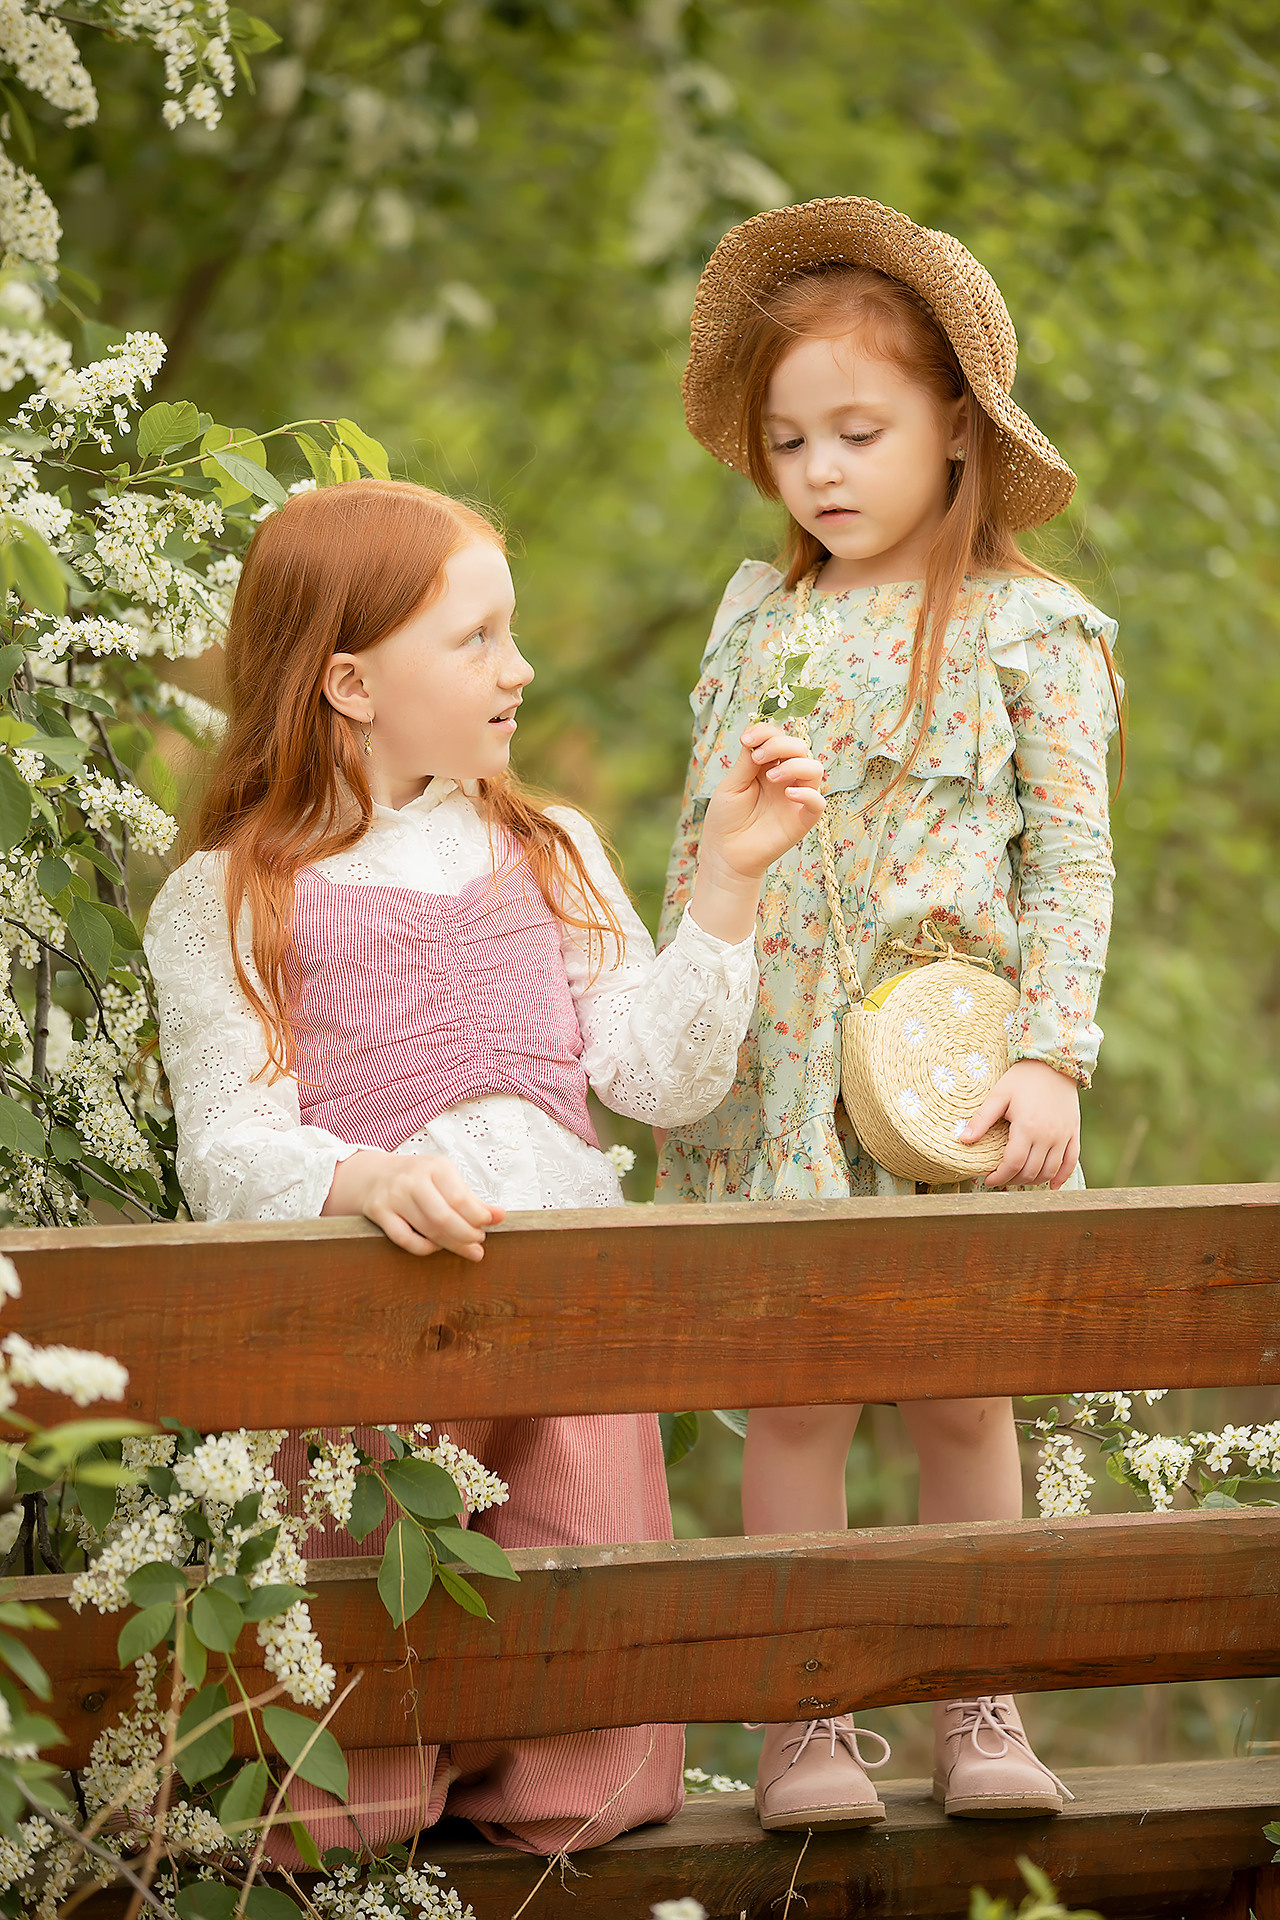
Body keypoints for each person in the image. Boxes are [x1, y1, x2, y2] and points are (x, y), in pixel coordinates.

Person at [143, 477, 824, 1860]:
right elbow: (226, 1150)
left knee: (584, 1787)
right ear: (350, 681)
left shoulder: (546, 846)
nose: (518, 669)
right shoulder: (228, 893)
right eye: (476, 640)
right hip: (374, 1389)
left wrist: (731, 888)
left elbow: (654, 1075)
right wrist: (364, 1179)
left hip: (567, 1370)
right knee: (351, 1801)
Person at [658, 197, 1124, 1830]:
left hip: (946, 1072)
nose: (821, 470)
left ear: (955, 432)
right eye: (791, 442)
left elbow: (1071, 863)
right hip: (779, 1075)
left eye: (859, 430)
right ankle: (804, 1722)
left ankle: (976, 1709)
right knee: (791, 1395)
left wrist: (1050, 1052)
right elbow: (693, 852)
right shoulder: (760, 628)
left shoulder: (1028, 633)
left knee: (958, 1387)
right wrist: (685, 1022)